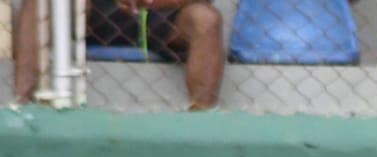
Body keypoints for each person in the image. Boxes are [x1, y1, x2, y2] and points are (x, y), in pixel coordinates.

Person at [12, 0, 222, 110]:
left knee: (206, 18)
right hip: (96, 9)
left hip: (165, 13)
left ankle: (202, 114)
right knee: (38, 1)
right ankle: (22, 104)